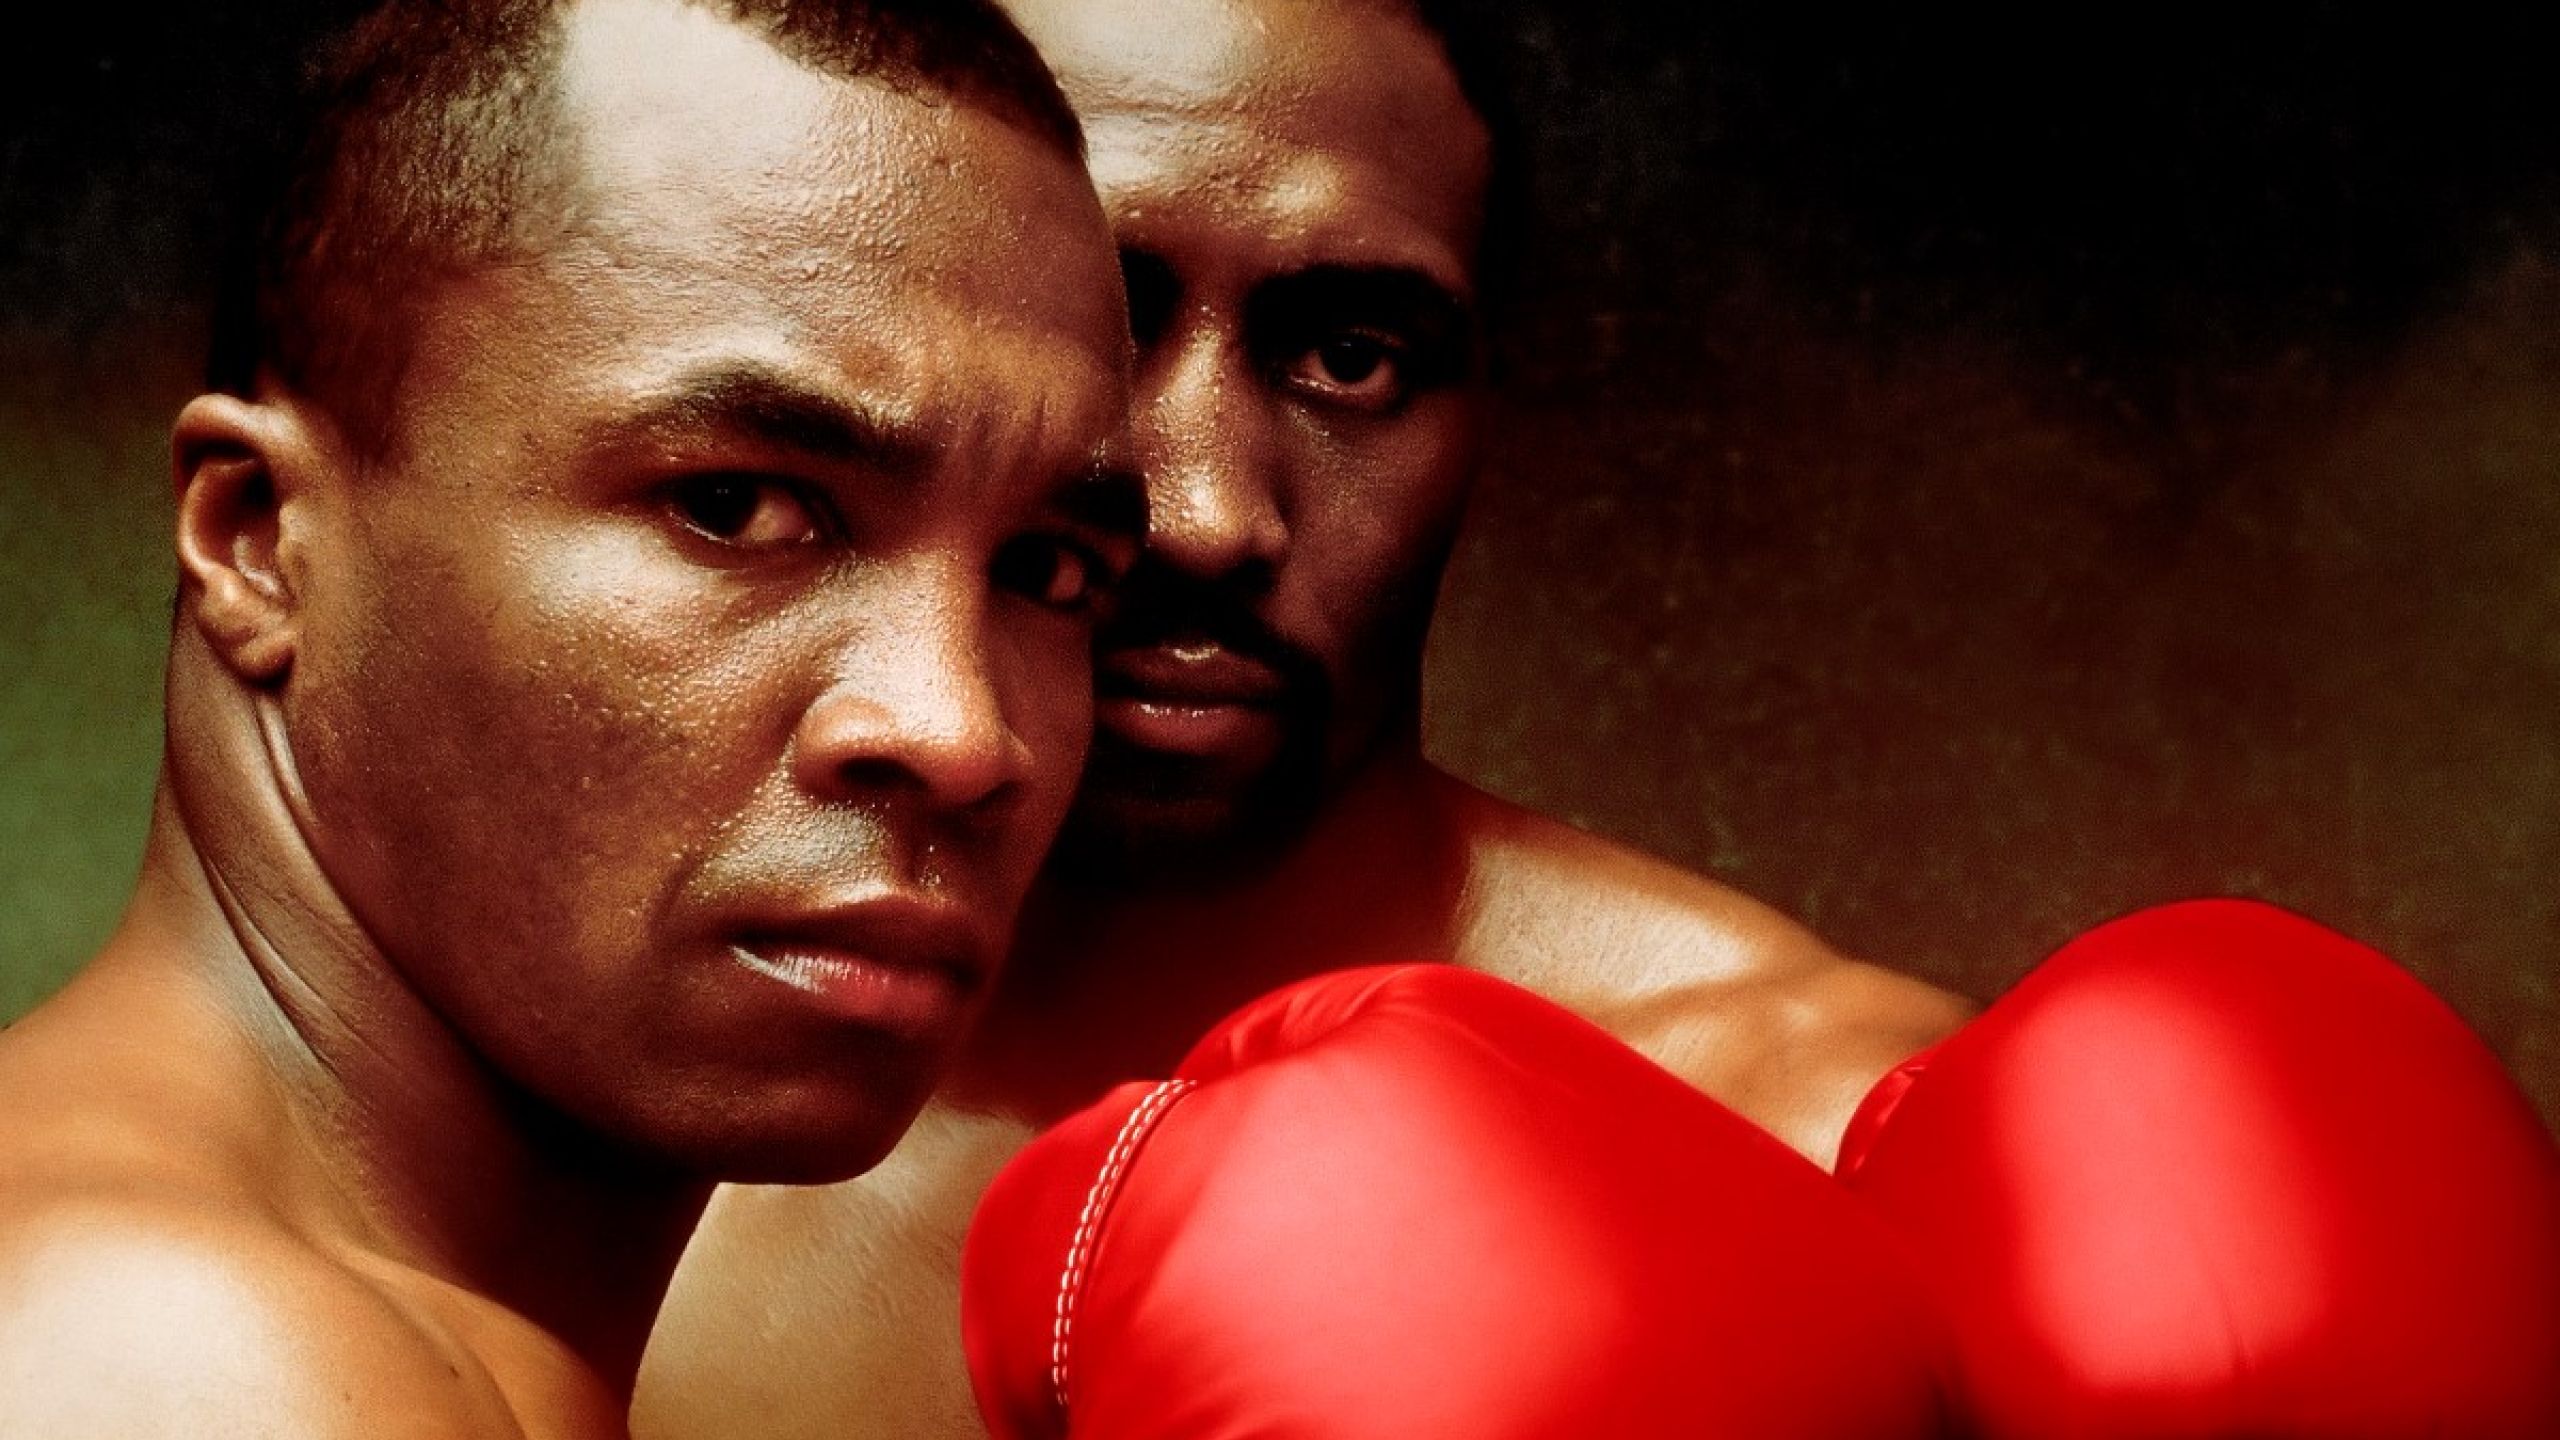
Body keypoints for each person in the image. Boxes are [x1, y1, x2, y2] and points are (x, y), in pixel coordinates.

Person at [636, 1, 1972, 1435]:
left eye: (1350, 359)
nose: (1208, 518)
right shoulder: (582, 1100)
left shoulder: (1825, 1145)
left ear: (1484, 426)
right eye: (1104, 317)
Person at [0, 0, 1139, 1433]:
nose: (964, 731)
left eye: (1048, 571)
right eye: (737, 508)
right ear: (256, 538)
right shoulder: (192, 1370)